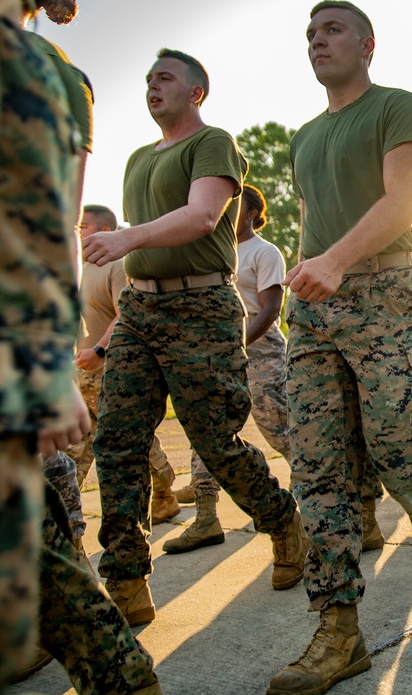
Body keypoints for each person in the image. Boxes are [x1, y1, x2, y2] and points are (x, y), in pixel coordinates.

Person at [269, 2, 412, 695]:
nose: (317, 42)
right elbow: (313, 222)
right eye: (310, 34)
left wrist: (333, 260)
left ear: (367, 44)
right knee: (319, 467)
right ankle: (338, 630)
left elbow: (405, 201)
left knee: (400, 451)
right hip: (317, 306)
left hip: (382, 295)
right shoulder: (303, 137)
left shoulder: (397, 108)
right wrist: (313, 273)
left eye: (331, 30)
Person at [82, 48, 307, 629]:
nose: (152, 86)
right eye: (148, 79)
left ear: (196, 91)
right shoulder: (136, 158)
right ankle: (127, 578)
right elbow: (148, 234)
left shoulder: (213, 143)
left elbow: (203, 217)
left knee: (216, 443)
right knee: (118, 440)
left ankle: (283, 520)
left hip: (200, 306)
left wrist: (127, 238)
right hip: (140, 308)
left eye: (165, 78)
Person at [1, 0, 164, 695]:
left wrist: (45, 359)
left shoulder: (38, 70)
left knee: (29, 539)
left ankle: (122, 682)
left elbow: (42, 223)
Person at [165, 184, 294, 554]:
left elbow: (271, 310)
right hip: (215, 346)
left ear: (251, 213)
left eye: (235, 206)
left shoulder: (263, 252)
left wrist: (237, 345)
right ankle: (206, 517)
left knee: (279, 428)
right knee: (205, 428)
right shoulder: (215, 251)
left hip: (260, 349)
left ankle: (305, 495)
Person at [68, 205, 180, 526]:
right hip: (83, 372)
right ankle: (62, 514)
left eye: (84, 226)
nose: (80, 233)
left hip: (111, 367)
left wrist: (100, 350)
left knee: (129, 440)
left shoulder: (117, 265)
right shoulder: (82, 267)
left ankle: (163, 488)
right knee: (78, 446)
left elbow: (124, 312)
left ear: (106, 229)